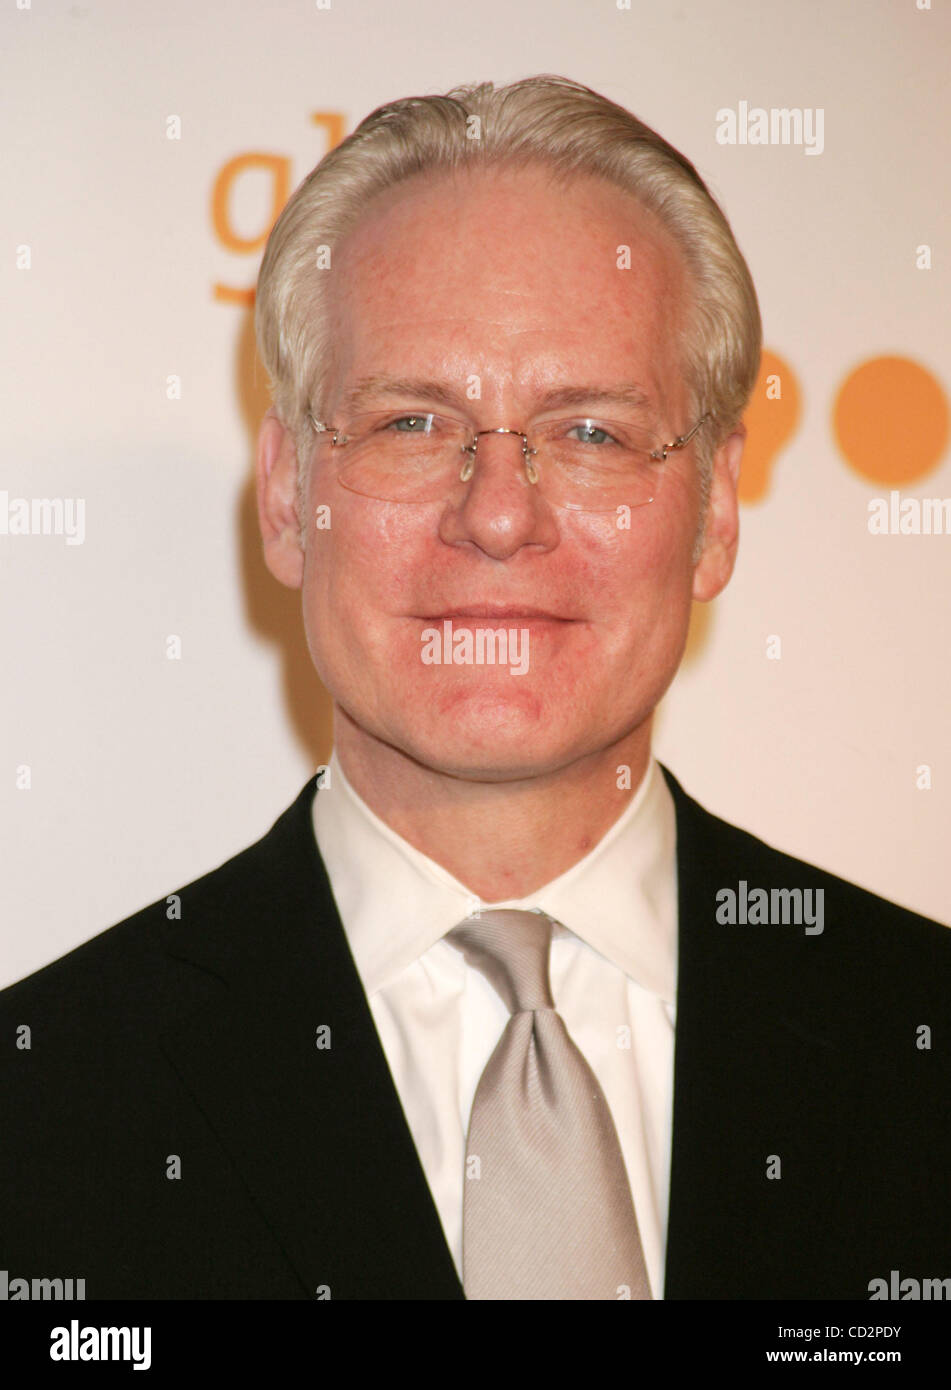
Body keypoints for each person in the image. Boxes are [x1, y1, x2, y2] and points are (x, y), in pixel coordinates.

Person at [2, 75, 949, 1302]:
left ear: (715, 510)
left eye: (592, 432)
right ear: (291, 498)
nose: (499, 513)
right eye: (410, 423)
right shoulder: (42, 1113)